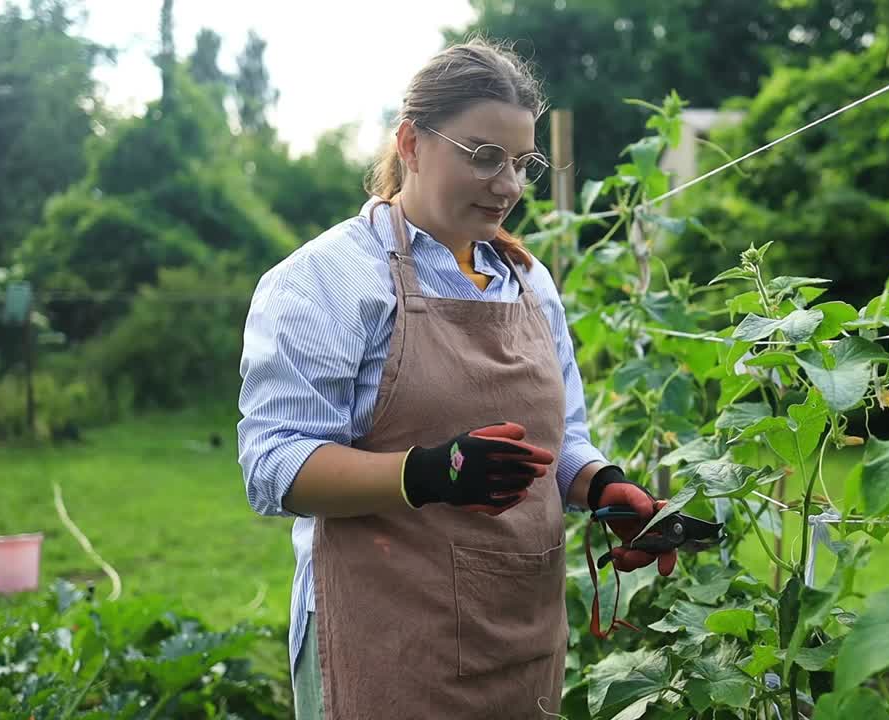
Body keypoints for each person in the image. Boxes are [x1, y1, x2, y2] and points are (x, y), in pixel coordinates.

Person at [237, 39, 677, 719]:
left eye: (522, 163)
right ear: (411, 143)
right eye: (482, 157)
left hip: (519, 638)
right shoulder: (326, 281)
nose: (508, 185)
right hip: (387, 640)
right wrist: (426, 473)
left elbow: (563, 442)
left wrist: (604, 487)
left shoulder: (528, 281)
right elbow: (274, 466)